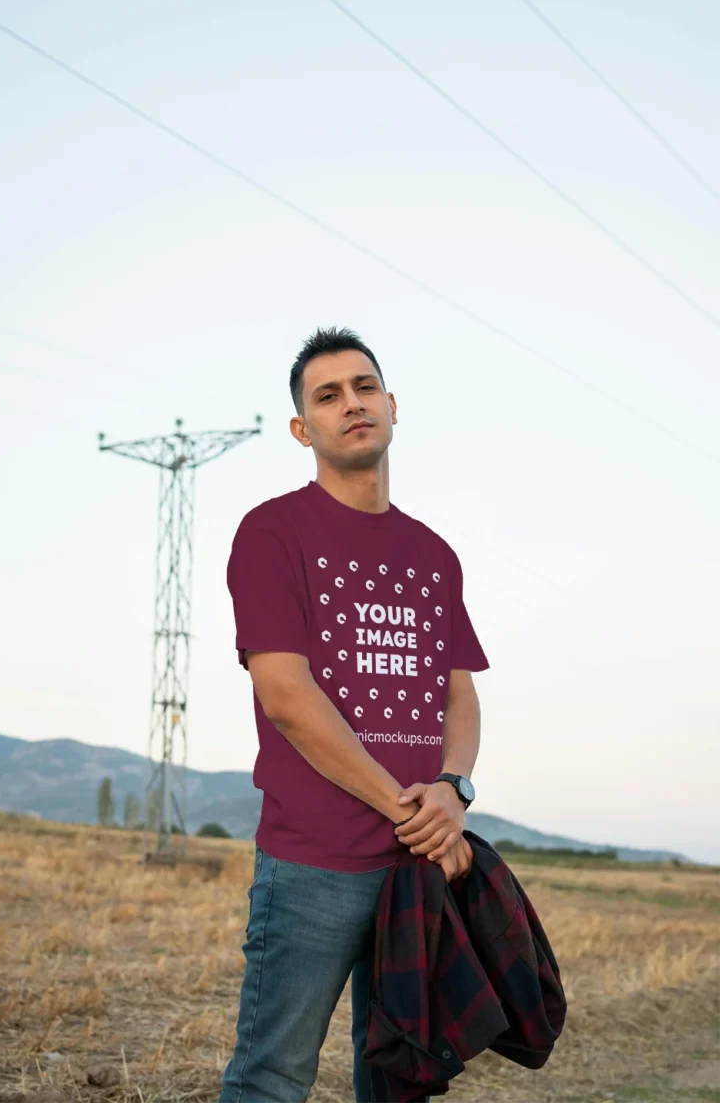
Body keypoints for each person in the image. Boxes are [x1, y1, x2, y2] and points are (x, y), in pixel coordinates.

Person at [218, 327, 490, 1103]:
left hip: (415, 872)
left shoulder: (434, 554)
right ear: (304, 429)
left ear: (393, 406)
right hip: (314, 867)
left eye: (364, 387)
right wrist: (413, 811)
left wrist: (453, 789)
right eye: (328, 396)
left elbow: (458, 690)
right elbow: (287, 696)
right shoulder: (273, 532)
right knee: (271, 1079)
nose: (352, 404)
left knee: (401, 1081)